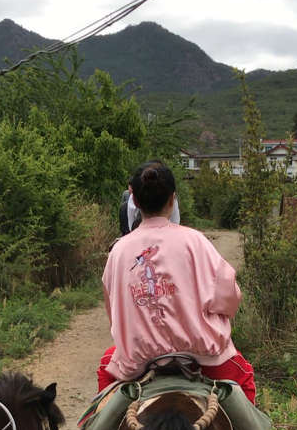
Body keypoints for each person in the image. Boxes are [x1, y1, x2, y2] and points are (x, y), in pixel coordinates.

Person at [98, 160, 255, 403]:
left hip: (138, 364)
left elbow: (114, 316)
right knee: (244, 379)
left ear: (136, 202)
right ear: (173, 199)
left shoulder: (118, 253)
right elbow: (230, 300)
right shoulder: (196, 241)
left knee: (103, 398)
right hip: (202, 359)